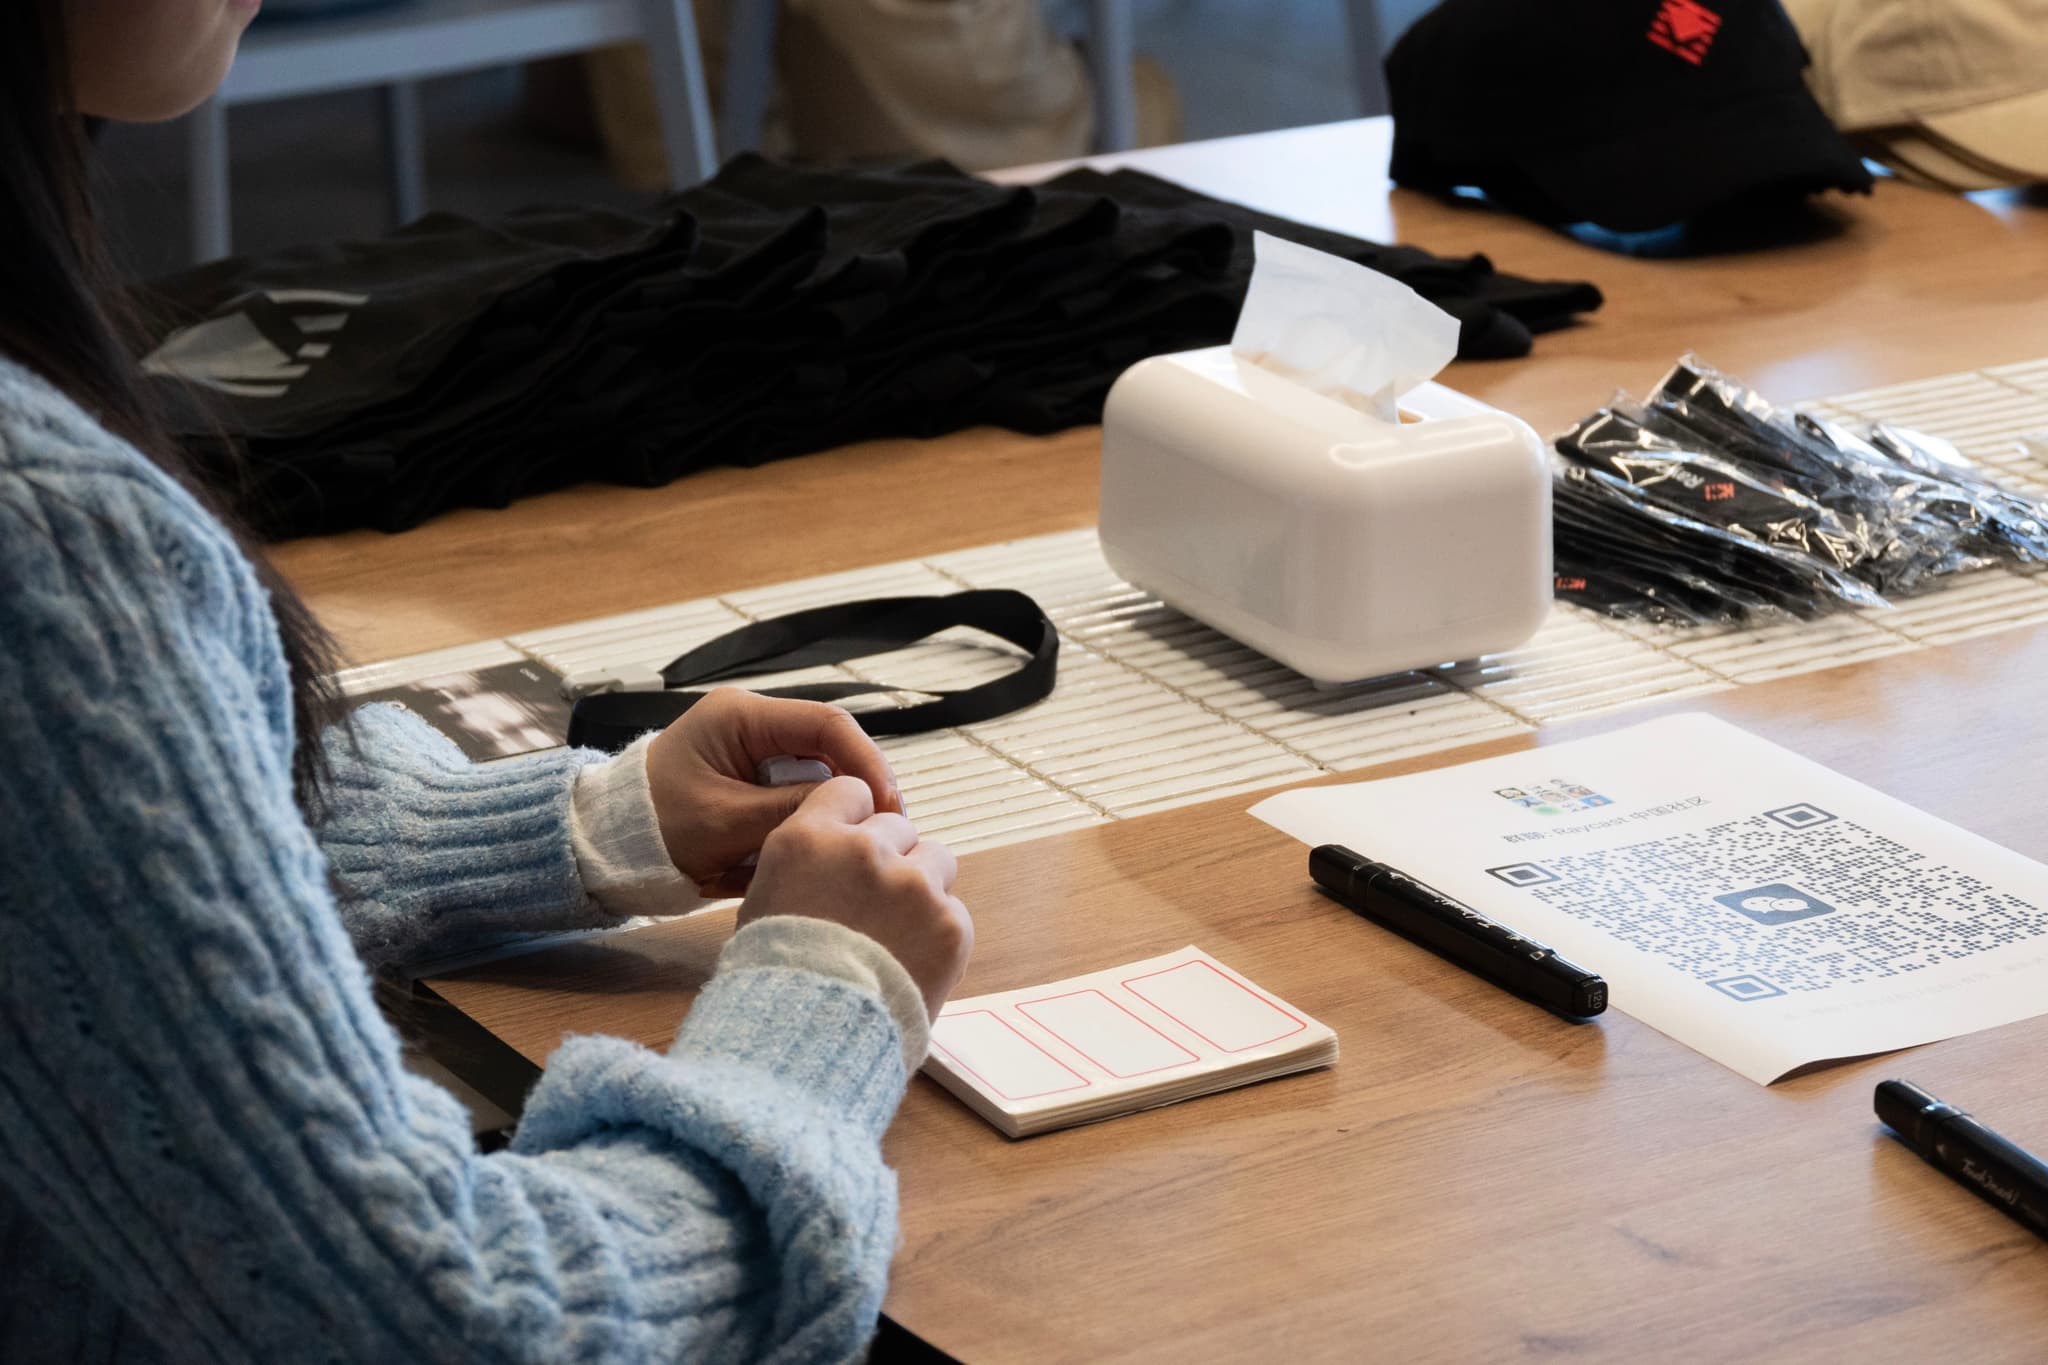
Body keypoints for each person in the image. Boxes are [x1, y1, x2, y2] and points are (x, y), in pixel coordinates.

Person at [0, 2, 972, 1360]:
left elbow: (72, 872)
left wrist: (585, 824)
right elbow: (441, 1321)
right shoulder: (41, 538)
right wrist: (822, 999)